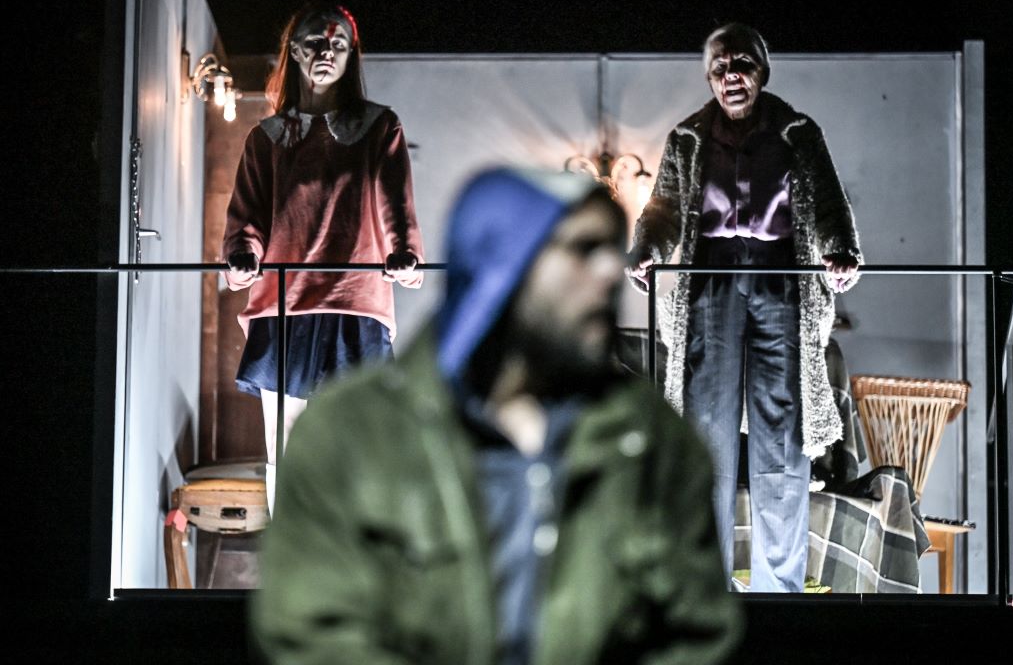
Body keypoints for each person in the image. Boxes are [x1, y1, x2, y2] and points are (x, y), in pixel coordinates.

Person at [251, 166, 743, 665]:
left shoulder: (651, 439)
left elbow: (699, 633)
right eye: (583, 248)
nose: (610, 271)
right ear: (503, 266)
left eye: (612, 249)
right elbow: (311, 631)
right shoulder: (351, 434)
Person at [627, 23, 863, 592]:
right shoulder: (687, 138)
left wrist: (840, 249)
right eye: (720, 66)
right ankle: (704, 587)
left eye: (743, 64)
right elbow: (662, 210)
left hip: (780, 278)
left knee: (780, 431)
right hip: (709, 279)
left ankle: (778, 592)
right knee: (704, 430)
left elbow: (829, 206)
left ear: (763, 70)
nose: (731, 75)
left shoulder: (798, 133)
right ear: (708, 77)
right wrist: (646, 249)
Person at [221, 1, 424, 514]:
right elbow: (248, 216)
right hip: (285, 304)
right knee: (286, 447)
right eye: (315, 42)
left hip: (355, 303)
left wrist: (403, 251)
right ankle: (291, 550)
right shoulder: (267, 138)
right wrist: (243, 253)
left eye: (338, 44)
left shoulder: (379, 127)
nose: (326, 52)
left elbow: (394, 201)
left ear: (351, 54)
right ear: (294, 51)